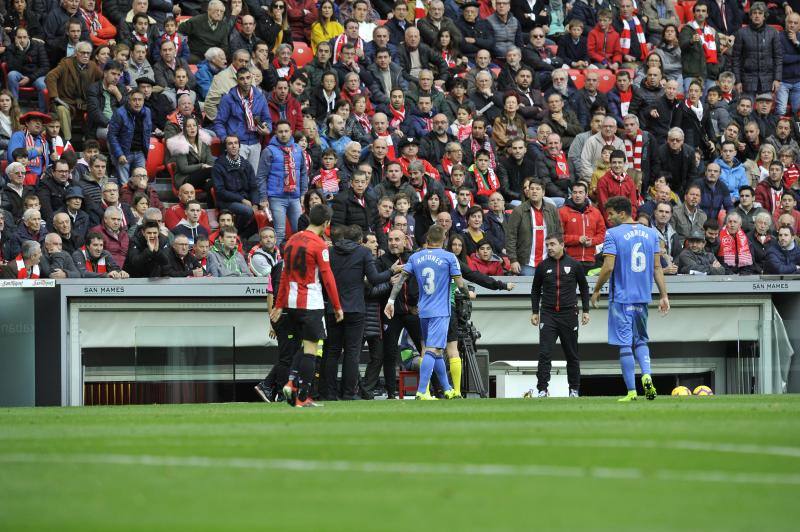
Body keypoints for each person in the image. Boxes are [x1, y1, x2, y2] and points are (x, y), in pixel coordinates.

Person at [591, 195, 670, 402]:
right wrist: (664, 295)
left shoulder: (613, 234)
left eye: (611, 214)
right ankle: (646, 375)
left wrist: (597, 289)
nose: (608, 218)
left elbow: (608, 267)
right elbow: (656, 267)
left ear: (622, 213)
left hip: (622, 298)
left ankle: (632, 392)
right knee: (641, 340)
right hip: (642, 298)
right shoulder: (651, 234)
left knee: (625, 344)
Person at [271, 204, 343, 408]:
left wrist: (279, 304)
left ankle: (292, 382)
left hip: (292, 304)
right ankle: (303, 396)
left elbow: (284, 275)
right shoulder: (319, 245)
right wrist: (337, 306)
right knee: (312, 350)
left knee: (302, 347)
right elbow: (328, 278)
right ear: (326, 223)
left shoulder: (291, 240)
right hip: (310, 302)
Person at [384, 225, 467, 400]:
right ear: (444, 239)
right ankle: (422, 391)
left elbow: (400, 281)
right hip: (440, 311)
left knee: (435, 351)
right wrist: (467, 294)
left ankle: (447, 388)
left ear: (427, 239)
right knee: (431, 349)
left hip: (423, 311)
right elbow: (460, 284)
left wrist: (390, 301)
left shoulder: (415, 257)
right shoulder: (449, 257)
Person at [322, 224, 394, 400]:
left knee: (332, 351)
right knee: (352, 352)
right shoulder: (363, 253)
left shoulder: (330, 252)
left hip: (334, 307)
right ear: (361, 240)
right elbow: (375, 279)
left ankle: (329, 393)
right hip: (355, 308)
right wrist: (392, 271)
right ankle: (348, 393)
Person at [529, 233, 590, 398]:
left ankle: (574, 390)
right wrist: (535, 311)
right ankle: (542, 389)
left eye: (553, 244)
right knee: (545, 353)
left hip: (569, 314)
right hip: (548, 314)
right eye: (547, 244)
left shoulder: (575, 265)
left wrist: (586, 310)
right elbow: (535, 290)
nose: (549, 247)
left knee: (572, 353)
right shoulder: (542, 266)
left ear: (562, 245)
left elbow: (584, 289)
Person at [213, 67, 272, 173]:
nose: (245, 81)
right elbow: (219, 122)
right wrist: (225, 138)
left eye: (248, 78)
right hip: (238, 144)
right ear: (237, 80)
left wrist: (267, 129)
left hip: (255, 143)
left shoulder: (260, 97)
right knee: (237, 177)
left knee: (252, 177)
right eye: (242, 78)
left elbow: (267, 118)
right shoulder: (228, 98)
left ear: (252, 78)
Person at [506, 178, 562, 275]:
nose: (534, 191)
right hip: (527, 263)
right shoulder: (519, 211)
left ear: (543, 192)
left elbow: (559, 232)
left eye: (537, 189)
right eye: (531, 189)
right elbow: (511, 236)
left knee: (548, 289)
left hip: (549, 260)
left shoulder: (552, 209)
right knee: (529, 290)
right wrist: (513, 260)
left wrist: (559, 254)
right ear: (528, 192)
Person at [212, 135, 260, 237]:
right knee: (248, 211)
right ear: (225, 147)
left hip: (246, 200)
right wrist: (241, 200)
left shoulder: (246, 164)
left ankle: (240, 237)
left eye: (235, 143)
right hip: (227, 201)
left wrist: (255, 203)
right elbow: (220, 191)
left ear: (239, 146)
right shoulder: (218, 166)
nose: (233, 146)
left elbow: (254, 187)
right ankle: (233, 234)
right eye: (230, 143)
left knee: (260, 218)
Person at [731, 2, 782, 97]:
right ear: (750, 16)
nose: (757, 16)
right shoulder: (741, 33)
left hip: (767, 81)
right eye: (754, 13)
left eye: (760, 13)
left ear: (764, 16)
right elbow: (735, 59)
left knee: (764, 111)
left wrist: (777, 79)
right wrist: (737, 81)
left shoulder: (773, 33)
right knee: (746, 111)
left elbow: (778, 57)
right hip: (747, 81)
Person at [107, 90, 152, 184]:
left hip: (140, 153)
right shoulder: (119, 113)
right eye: (134, 100)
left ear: (143, 101)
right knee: (124, 184)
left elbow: (147, 133)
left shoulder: (147, 112)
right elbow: (112, 135)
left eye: (140, 100)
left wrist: (145, 152)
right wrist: (119, 154)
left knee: (141, 183)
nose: (137, 102)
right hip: (124, 153)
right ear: (129, 101)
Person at [559, 181, 605, 270]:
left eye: (581, 192)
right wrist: (577, 239)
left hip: (591, 259)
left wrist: (592, 241)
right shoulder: (562, 212)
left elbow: (602, 234)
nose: (577, 195)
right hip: (569, 259)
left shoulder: (595, 212)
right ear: (571, 194)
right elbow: (558, 236)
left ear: (586, 194)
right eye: (575, 192)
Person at [4, 27, 49, 113]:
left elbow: (45, 67)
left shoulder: (38, 46)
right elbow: (11, 68)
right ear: (15, 38)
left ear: (28, 37)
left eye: (24, 37)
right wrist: (20, 51)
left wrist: (30, 78)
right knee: (11, 75)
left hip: (36, 76)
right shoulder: (11, 48)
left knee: (42, 85)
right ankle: (15, 109)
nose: (22, 40)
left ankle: (42, 113)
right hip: (20, 75)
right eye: (19, 37)